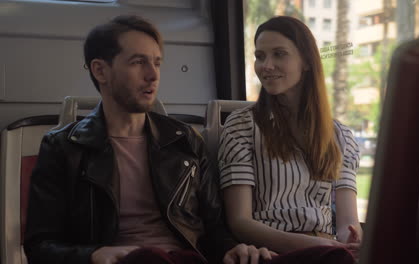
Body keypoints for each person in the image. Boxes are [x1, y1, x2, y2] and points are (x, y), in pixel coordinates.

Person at [24, 15, 275, 264]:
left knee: (313, 255)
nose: (152, 75)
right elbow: (40, 246)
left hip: (187, 259)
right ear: (100, 70)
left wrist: (234, 250)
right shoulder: (64, 147)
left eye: (156, 63)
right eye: (138, 62)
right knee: (148, 258)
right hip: (130, 260)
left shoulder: (184, 140)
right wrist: (92, 254)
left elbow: (214, 229)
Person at [218, 16, 362, 263]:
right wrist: (316, 245)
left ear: (306, 61)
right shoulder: (242, 126)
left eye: (279, 54)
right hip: (270, 251)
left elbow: (348, 222)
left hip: (327, 250)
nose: (266, 65)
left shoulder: (341, 136)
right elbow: (239, 222)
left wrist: (351, 238)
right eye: (260, 56)